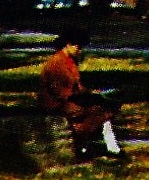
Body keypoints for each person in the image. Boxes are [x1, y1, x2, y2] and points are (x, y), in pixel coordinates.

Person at [39, 28, 123, 161]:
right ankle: (97, 147)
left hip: (68, 99)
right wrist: (87, 95)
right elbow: (61, 91)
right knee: (100, 111)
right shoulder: (57, 63)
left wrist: (90, 93)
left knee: (105, 107)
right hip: (57, 104)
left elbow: (76, 86)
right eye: (77, 46)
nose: (79, 50)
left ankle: (100, 146)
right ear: (68, 44)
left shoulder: (70, 61)